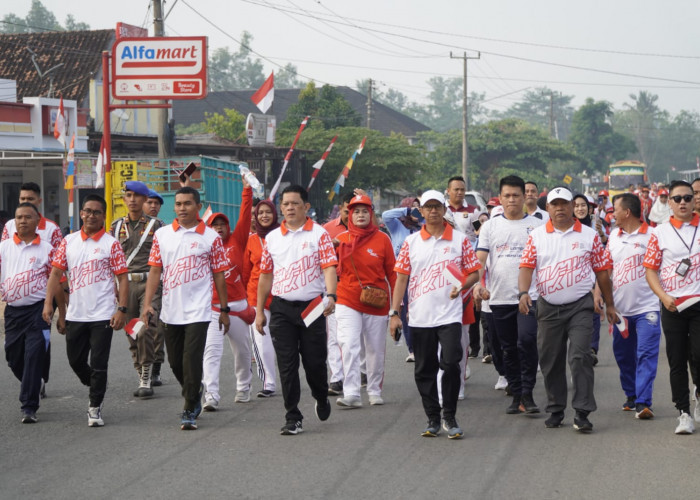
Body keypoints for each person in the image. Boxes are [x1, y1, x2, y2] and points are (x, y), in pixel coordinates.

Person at [519, 186, 616, 432]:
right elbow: (527, 267)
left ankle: (582, 411)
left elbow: (602, 272)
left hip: (580, 306)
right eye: (555, 204)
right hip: (548, 307)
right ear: (548, 208)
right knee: (550, 360)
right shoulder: (537, 236)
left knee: (580, 356)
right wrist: (522, 293)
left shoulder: (589, 235)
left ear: (573, 207)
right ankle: (556, 408)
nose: (560, 208)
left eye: (565, 204)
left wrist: (609, 303)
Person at [390, 189, 481, 439]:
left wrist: (462, 285)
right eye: (428, 207)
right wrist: (394, 313)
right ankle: (432, 417)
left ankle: (449, 415)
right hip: (419, 317)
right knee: (424, 369)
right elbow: (401, 280)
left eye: (437, 206)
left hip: (449, 316)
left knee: (451, 362)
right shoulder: (411, 242)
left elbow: (475, 273)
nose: (432, 211)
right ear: (421, 211)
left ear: (444, 209)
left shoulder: (459, 240)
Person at [141, 186, 230, 430]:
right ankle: (194, 388)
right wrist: (148, 304)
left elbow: (219, 275)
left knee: (191, 360)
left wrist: (224, 309)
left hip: (200, 311)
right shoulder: (162, 236)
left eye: (187, 204)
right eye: (178, 204)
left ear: (197, 206)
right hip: (171, 310)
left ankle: (190, 407)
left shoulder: (211, 237)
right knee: (175, 363)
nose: (181, 208)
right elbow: (155, 271)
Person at [255, 185, 338, 436]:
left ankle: (321, 396)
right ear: (281, 207)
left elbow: (329, 267)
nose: (290, 208)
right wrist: (260, 311)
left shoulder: (319, 234)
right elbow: (265, 276)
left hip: (312, 307)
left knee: (314, 363)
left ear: (306, 207)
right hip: (281, 308)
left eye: (295, 203)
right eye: (286, 204)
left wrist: (331, 295)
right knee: (287, 364)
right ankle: (293, 416)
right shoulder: (272, 238)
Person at [43, 195, 129, 427]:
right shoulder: (68, 241)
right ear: (81, 213)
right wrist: (48, 304)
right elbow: (55, 274)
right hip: (76, 314)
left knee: (100, 363)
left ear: (103, 216)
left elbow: (122, 277)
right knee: (75, 361)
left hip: (103, 314)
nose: (91, 215)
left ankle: (94, 407)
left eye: (97, 212)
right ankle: (95, 382)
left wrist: (121, 308)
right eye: (87, 211)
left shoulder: (111, 244)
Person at [475, 175, 545, 415]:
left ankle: (528, 392)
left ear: (525, 197)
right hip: (499, 296)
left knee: (526, 341)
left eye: (516, 195)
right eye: (507, 196)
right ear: (500, 199)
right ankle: (516, 394)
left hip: (530, 296)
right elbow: (481, 260)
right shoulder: (490, 226)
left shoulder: (537, 227)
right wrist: (476, 284)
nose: (512, 200)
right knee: (507, 348)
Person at [643, 180, 700, 434]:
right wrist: (663, 296)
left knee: (698, 354)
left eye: (688, 198)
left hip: (699, 301)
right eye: (677, 199)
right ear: (670, 202)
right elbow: (650, 270)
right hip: (673, 304)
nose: (683, 203)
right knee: (676, 359)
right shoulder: (660, 233)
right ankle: (683, 413)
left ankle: (698, 390)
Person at [2, 203, 64, 423]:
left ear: (37, 221)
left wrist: (60, 313)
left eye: (27, 217)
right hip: (12, 312)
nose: (22, 221)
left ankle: (28, 406)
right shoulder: (4, 247)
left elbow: (57, 283)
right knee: (12, 356)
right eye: (18, 217)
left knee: (33, 355)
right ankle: (35, 382)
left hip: (38, 310)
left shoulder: (47, 249)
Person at [601, 193, 661, 419]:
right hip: (621, 311)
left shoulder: (654, 236)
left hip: (648, 308)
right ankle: (632, 395)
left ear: (626, 212)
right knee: (624, 355)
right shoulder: (613, 237)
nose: (611, 214)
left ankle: (644, 401)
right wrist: (602, 296)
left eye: (614, 210)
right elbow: (606, 269)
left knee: (646, 353)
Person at [334, 194, 396, 408]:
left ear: (371, 214)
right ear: (349, 215)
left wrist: (396, 308)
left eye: (364, 211)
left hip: (376, 301)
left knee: (375, 349)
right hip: (347, 299)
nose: (360, 215)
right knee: (348, 344)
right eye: (356, 211)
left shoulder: (383, 239)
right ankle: (351, 393)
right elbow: (326, 268)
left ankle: (374, 389)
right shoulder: (341, 239)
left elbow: (393, 274)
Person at [201, 180, 254, 410]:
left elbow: (245, 213)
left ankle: (243, 387)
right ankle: (211, 395)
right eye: (214, 225)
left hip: (238, 305)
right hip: (213, 307)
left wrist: (247, 189)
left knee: (242, 351)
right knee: (211, 351)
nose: (219, 228)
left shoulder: (238, 239)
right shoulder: (204, 245)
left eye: (222, 224)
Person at [109, 181, 164, 399]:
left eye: (137, 196)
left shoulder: (157, 226)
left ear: (144, 199)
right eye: (128, 195)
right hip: (125, 284)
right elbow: (112, 258)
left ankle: (146, 376)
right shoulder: (115, 226)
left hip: (150, 283)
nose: (132, 200)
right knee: (131, 331)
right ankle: (140, 370)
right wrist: (112, 285)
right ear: (124, 199)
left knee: (145, 328)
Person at [242, 199, 280, 398]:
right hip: (257, 298)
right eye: (260, 213)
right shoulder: (251, 240)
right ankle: (269, 383)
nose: (264, 216)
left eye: (268, 212)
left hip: (283, 295)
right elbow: (246, 273)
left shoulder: (284, 236)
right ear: (255, 218)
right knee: (262, 341)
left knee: (285, 342)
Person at [382, 197, 423, 362]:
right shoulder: (397, 226)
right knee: (404, 312)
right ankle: (412, 348)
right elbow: (385, 215)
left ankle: (425, 346)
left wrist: (421, 216)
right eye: (412, 208)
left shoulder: (425, 226)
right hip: (402, 277)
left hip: (421, 276)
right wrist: (407, 211)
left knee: (420, 311)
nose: (416, 211)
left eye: (419, 208)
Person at [322, 191, 355, 396]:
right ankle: (337, 379)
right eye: (347, 210)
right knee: (334, 336)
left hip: (359, 291)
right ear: (342, 208)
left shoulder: (367, 230)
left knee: (354, 338)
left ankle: (359, 371)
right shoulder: (327, 230)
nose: (351, 214)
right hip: (335, 288)